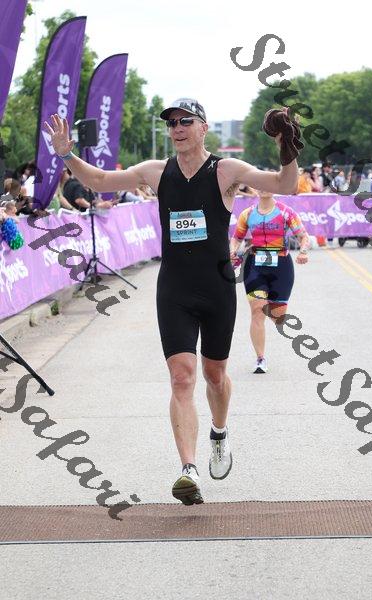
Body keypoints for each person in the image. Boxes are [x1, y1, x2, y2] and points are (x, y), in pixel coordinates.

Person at [45, 98, 299, 506]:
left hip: (217, 288)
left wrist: (287, 149)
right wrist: (66, 155)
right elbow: (100, 181)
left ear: (203, 127)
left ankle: (219, 432)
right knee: (182, 377)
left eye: (185, 121)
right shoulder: (156, 172)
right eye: (171, 123)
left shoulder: (226, 170)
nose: (177, 128)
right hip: (175, 290)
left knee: (215, 375)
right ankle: (188, 469)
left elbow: (285, 185)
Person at [230, 191, 309, 373]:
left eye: (268, 184)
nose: (264, 188)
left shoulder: (286, 212)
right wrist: (232, 250)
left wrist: (303, 251)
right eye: (260, 185)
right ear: (256, 189)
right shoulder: (247, 214)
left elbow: (303, 236)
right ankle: (260, 358)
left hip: (281, 266)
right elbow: (237, 237)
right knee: (257, 311)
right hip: (254, 266)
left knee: (278, 316)